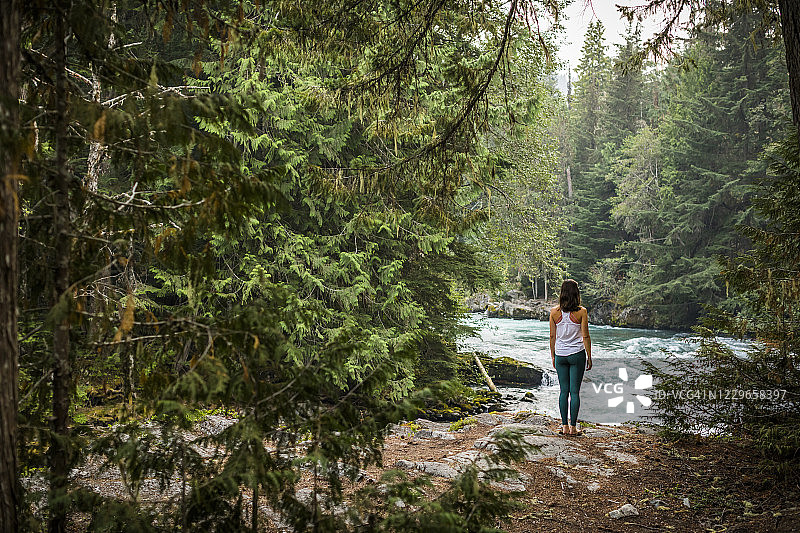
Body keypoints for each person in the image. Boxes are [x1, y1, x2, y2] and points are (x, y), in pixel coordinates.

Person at [550, 279, 592, 436]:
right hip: (577, 355)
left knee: (563, 392)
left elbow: (552, 336)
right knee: (574, 392)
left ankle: (564, 426)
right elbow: (585, 336)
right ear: (576, 293)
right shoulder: (582, 312)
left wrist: (553, 356)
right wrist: (589, 356)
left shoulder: (554, 312)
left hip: (560, 354)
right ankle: (573, 428)